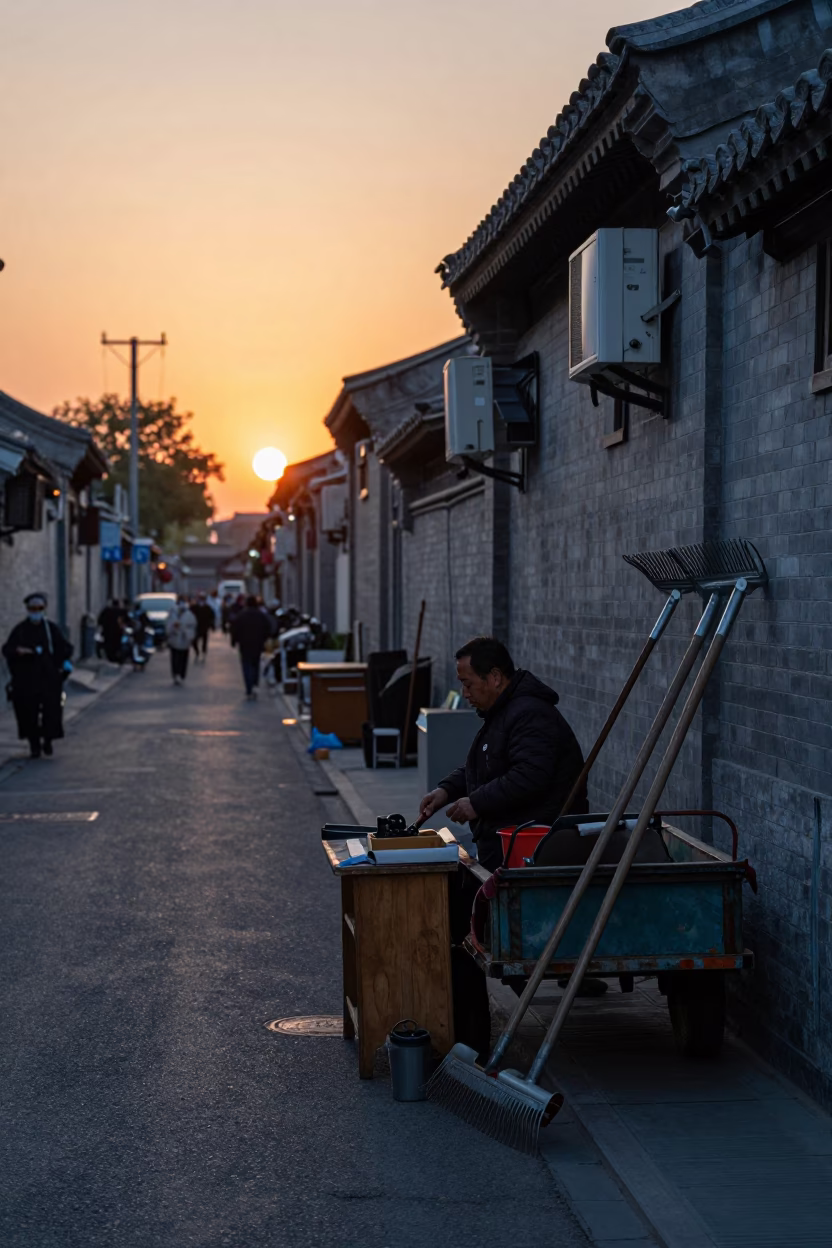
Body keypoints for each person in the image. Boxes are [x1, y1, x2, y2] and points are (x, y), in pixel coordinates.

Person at [419, 636, 587, 872]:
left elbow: (529, 776)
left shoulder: (531, 715)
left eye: (468, 684)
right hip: (508, 846)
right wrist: (445, 791)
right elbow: (486, 767)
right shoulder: (502, 712)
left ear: (495, 677)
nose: (464, 693)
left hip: (533, 851)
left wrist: (475, 803)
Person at [2, 592, 73, 758]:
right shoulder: (20, 630)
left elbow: (65, 648)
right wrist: (19, 651)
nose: (36, 611)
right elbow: (7, 649)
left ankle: (47, 740)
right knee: (28, 713)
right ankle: (34, 744)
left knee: (51, 711)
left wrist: (61, 662)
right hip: (26, 680)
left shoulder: (51, 630)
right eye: (32, 608)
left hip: (48, 679)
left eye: (39, 608)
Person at [230, 594, 271, 699]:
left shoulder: (241, 615)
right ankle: (254, 684)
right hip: (257, 644)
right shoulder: (260, 615)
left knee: (246, 665)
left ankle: (248, 687)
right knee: (255, 664)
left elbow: (235, 629)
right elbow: (267, 628)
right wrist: (264, 639)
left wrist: (234, 641)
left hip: (244, 644)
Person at [166, 597, 197, 685]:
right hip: (174, 640)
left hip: (184, 640)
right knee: (175, 659)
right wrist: (173, 627)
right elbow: (168, 625)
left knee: (183, 659)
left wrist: (185, 631)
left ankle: (182, 674)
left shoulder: (189, 614)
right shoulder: (172, 613)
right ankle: (175, 674)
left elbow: (192, 626)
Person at [97, 598, 124, 663]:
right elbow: (126, 620)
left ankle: (110, 657)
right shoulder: (120, 611)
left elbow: (100, 620)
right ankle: (115, 657)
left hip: (107, 631)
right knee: (117, 645)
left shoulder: (106, 611)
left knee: (108, 644)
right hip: (117, 632)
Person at [191, 593, 215, 661]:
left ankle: (204, 652)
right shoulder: (194, 607)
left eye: (203, 598)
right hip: (196, 627)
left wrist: (212, 625)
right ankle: (197, 652)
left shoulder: (208, 608)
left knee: (204, 641)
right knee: (194, 641)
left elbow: (212, 616)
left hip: (205, 627)